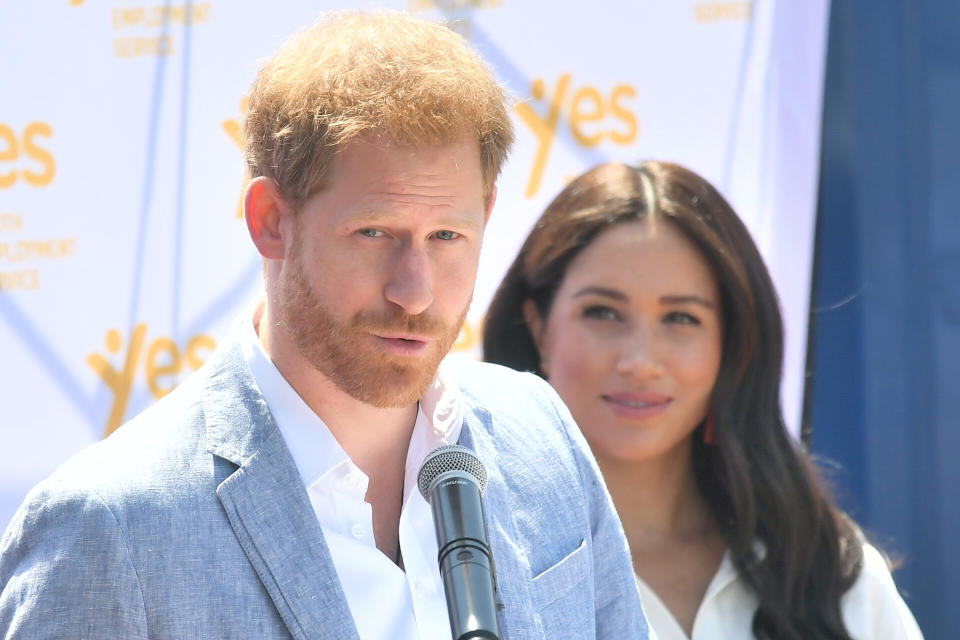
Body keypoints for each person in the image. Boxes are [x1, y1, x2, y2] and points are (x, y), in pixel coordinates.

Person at [0, 13, 651, 639]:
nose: (415, 290)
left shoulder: (540, 433)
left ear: (486, 214)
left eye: (448, 235)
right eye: (373, 233)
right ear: (270, 221)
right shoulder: (110, 530)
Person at [484, 161, 924, 640]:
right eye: (603, 312)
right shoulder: (470, 566)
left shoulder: (829, 573)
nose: (641, 360)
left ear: (730, 343)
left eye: (681, 318)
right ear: (539, 328)